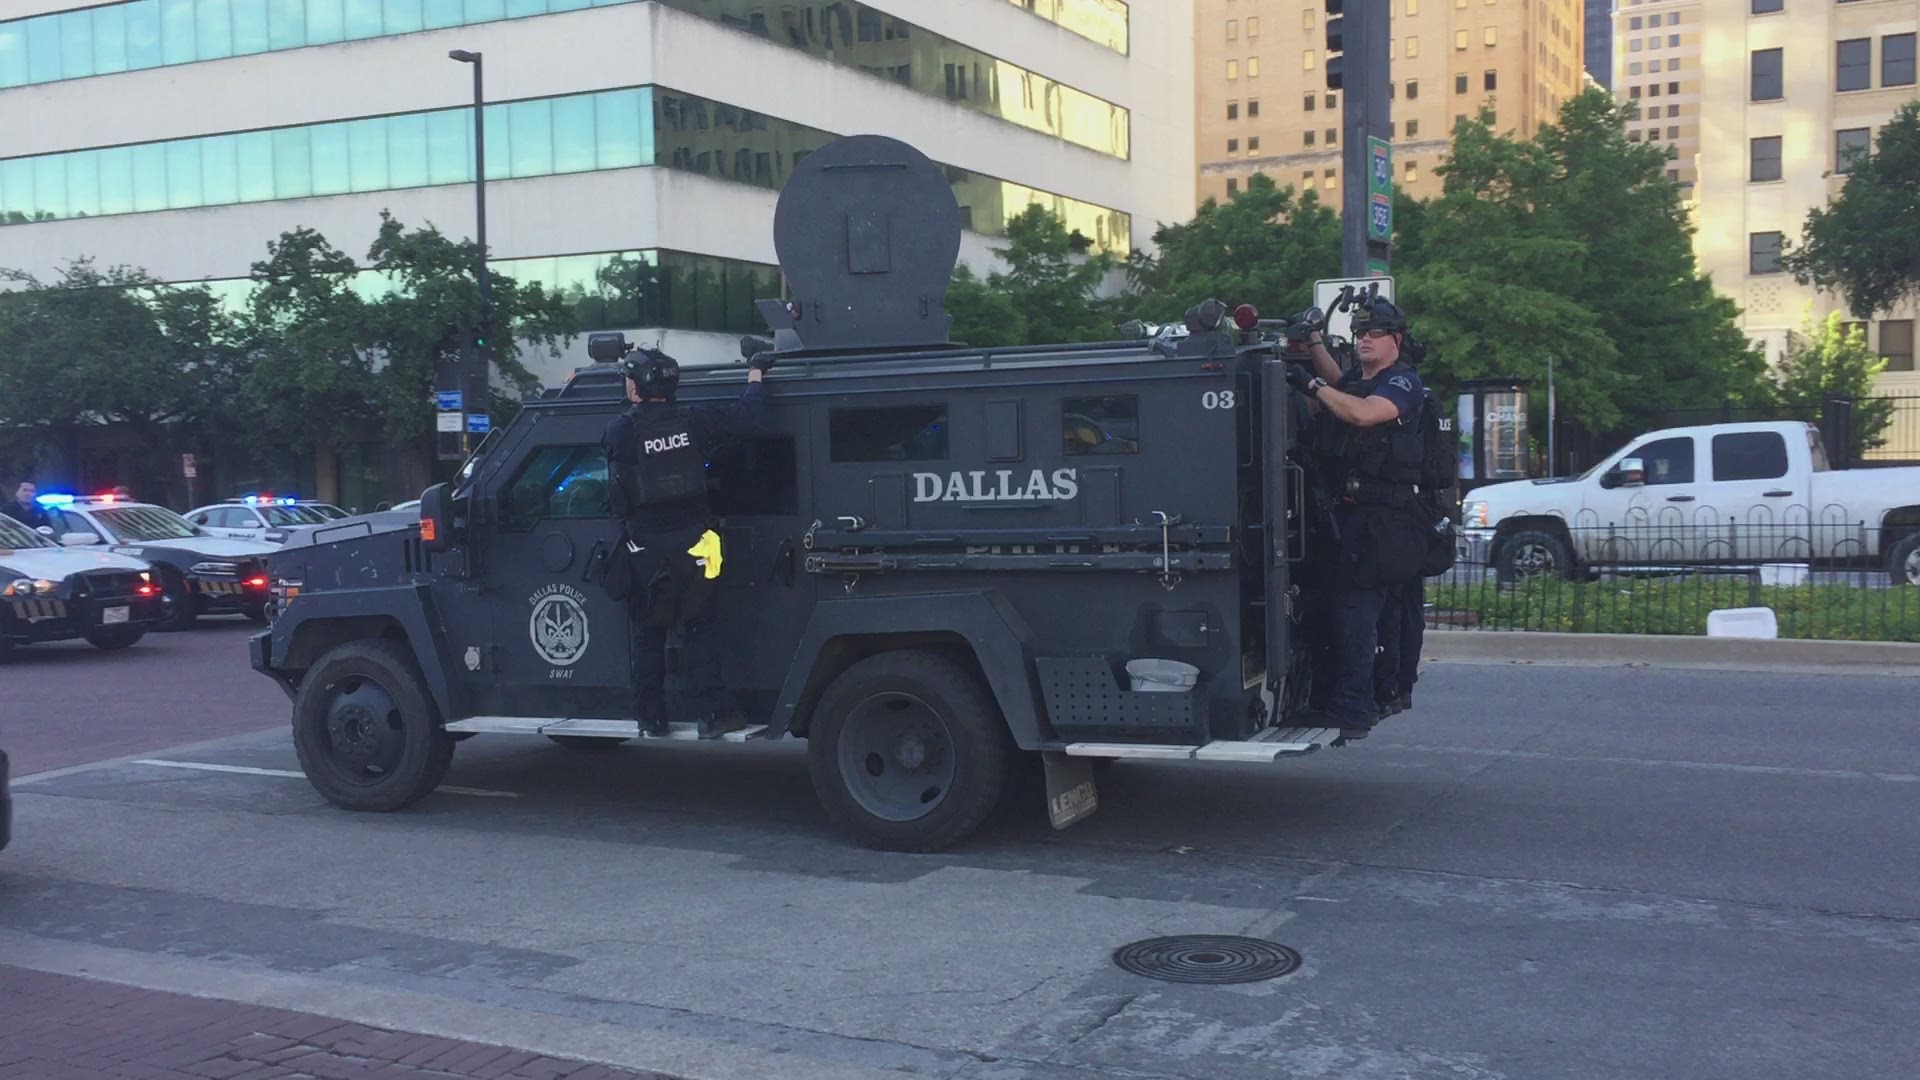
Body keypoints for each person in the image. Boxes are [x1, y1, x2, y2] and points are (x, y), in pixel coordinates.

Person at [601, 347, 772, 739]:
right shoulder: (694, 421)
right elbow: (751, 418)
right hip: (698, 547)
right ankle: (713, 715)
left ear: (638, 387)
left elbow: (618, 465)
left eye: (629, 378)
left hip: (645, 552)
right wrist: (756, 374)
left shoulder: (620, 430)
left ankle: (651, 717)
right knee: (700, 628)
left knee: (648, 634)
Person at [1286, 298, 1430, 740]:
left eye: (1374, 333)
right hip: (1354, 518)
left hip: (1383, 523)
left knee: (1356, 616)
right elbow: (1341, 384)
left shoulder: (1402, 382)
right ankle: (1368, 694)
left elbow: (1362, 412)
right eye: (1359, 333)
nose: (1364, 339)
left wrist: (1309, 386)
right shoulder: (1362, 379)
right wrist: (1312, 341)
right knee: (1351, 613)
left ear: (1396, 341)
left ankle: (1354, 708)